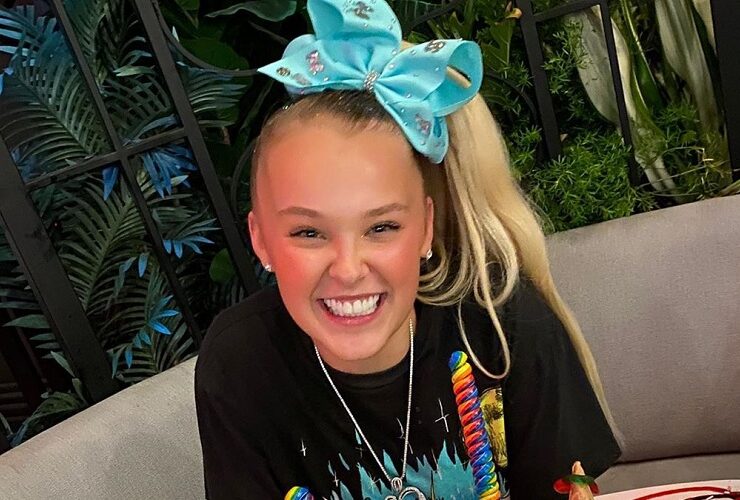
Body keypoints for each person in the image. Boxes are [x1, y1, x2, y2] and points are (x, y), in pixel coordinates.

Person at [194, 0, 622, 498]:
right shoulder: (239, 367)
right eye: (308, 233)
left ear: (425, 229)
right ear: (260, 239)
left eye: (382, 227)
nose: (348, 269)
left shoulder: (502, 321)